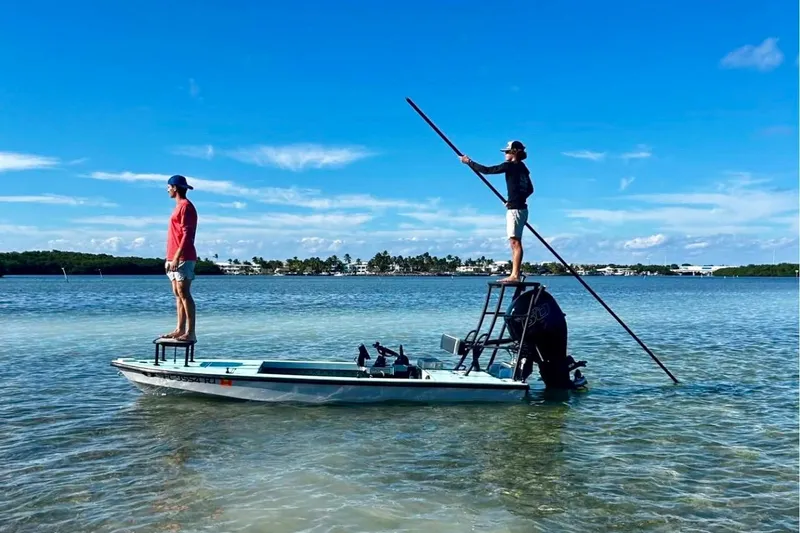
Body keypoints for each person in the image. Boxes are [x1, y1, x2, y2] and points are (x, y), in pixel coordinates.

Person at [460, 140, 533, 283]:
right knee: (515, 242)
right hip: (521, 208)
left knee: (515, 242)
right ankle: (515, 274)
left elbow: (487, 170)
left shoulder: (510, 166)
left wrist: (469, 162)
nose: (505, 153)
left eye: (507, 151)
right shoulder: (523, 168)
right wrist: (513, 200)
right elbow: (530, 189)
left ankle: (515, 275)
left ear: (514, 152)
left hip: (516, 210)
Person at [162, 174, 199, 342]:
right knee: (177, 293)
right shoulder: (178, 207)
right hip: (173, 256)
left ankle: (191, 332)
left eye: (168, 186)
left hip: (184, 256)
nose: (167, 189)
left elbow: (187, 234)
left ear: (175, 187)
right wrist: (169, 258)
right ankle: (179, 329)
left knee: (184, 293)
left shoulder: (186, 206)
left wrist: (176, 257)